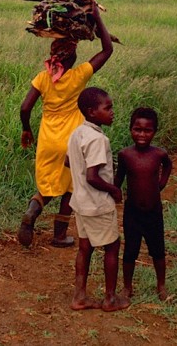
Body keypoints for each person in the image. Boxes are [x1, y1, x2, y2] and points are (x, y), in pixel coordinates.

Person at [18, 3, 113, 247]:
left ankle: (32, 212)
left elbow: (25, 108)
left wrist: (26, 129)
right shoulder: (78, 76)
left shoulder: (42, 78)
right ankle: (59, 235)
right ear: (71, 56)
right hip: (71, 142)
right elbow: (107, 49)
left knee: (48, 187)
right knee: (70, 189)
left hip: (48, 140)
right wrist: (98, 18)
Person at [67, 87, 129, 312]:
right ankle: (110, 299)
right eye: (108, 108)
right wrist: (114, 190)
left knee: (85, 247)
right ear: (92, 112)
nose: (112, 112)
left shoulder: (77, 134)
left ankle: (79, 296)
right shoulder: (97, 140)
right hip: (97, 204)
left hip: (81, 202)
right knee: (112, 246)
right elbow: (93, 177)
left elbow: (68, 162)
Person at [115, 107, 172, 300]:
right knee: (130, 250)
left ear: (154, 132)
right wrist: (115, 193)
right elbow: (119, 177)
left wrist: (162, 183)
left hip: (154, 211)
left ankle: (161, 285)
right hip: (132, 212)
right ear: (130, 129)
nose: (141, 134)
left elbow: (168, 165)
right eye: (137, 129)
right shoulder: (125, 154)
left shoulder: (159, 154)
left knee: (157, 250)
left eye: (147, 130)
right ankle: (127, 287)